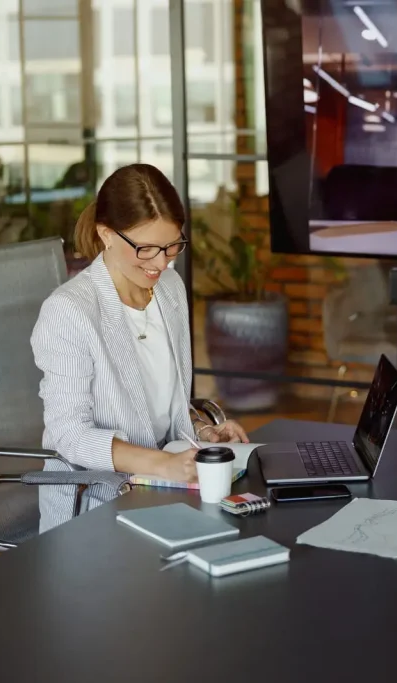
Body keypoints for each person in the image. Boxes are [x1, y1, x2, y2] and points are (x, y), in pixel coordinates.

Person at [31, 163, 248, 532]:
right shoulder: (70, 311)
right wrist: (160, 464)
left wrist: (200, 432)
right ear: (107, 235)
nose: (161, 262)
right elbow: (69, 434)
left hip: (165, 491)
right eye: (146, 249)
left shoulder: (169, 288)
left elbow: (154, 410)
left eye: (172, 245)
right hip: (95, 505)